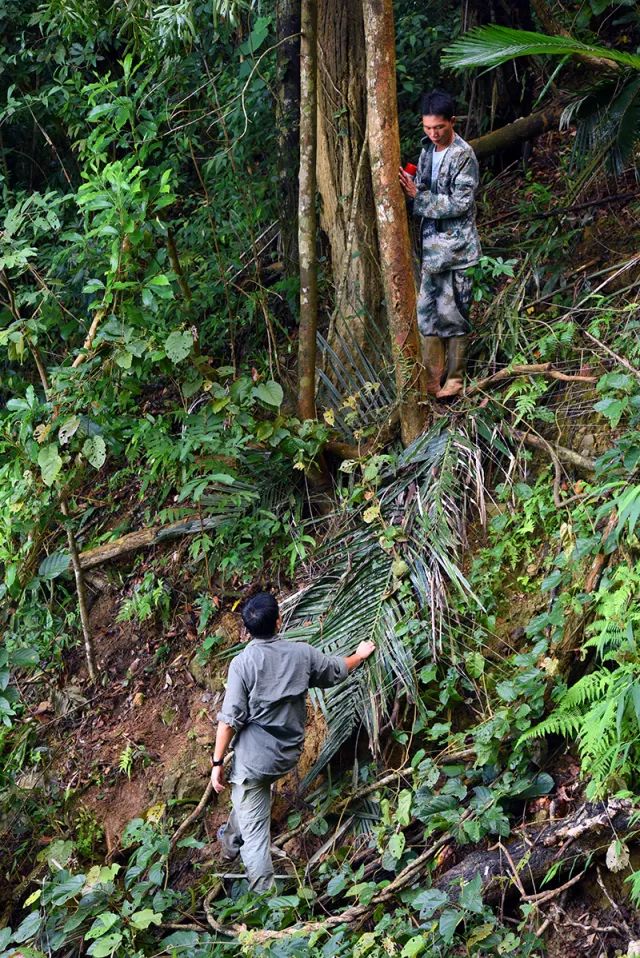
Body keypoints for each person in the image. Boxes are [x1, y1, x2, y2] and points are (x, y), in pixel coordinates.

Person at [210, 591, 376, 893]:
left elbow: (229, 720)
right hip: (285, 756)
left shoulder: (243, 664)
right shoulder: (301, 654)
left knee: (256, 834)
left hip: (253, 762)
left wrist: (217, 762)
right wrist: (360, 655)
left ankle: (266, 902)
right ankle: (229, 843)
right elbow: (336, 670)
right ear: (279, 621)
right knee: (248, 799)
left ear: (247, 630)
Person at [399, 89, 481, 398]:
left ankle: (455, 379)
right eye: (427, 127)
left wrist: (417, 198)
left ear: (452, 122)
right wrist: (410, 185)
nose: (433, 134)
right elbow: (422, 186)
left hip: (458, 252)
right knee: (426, 314)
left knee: (453, 314)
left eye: (439, 128)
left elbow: (460, 203)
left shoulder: (463, 155)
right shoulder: (426, 150)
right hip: (432, 252)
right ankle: (432, 379)